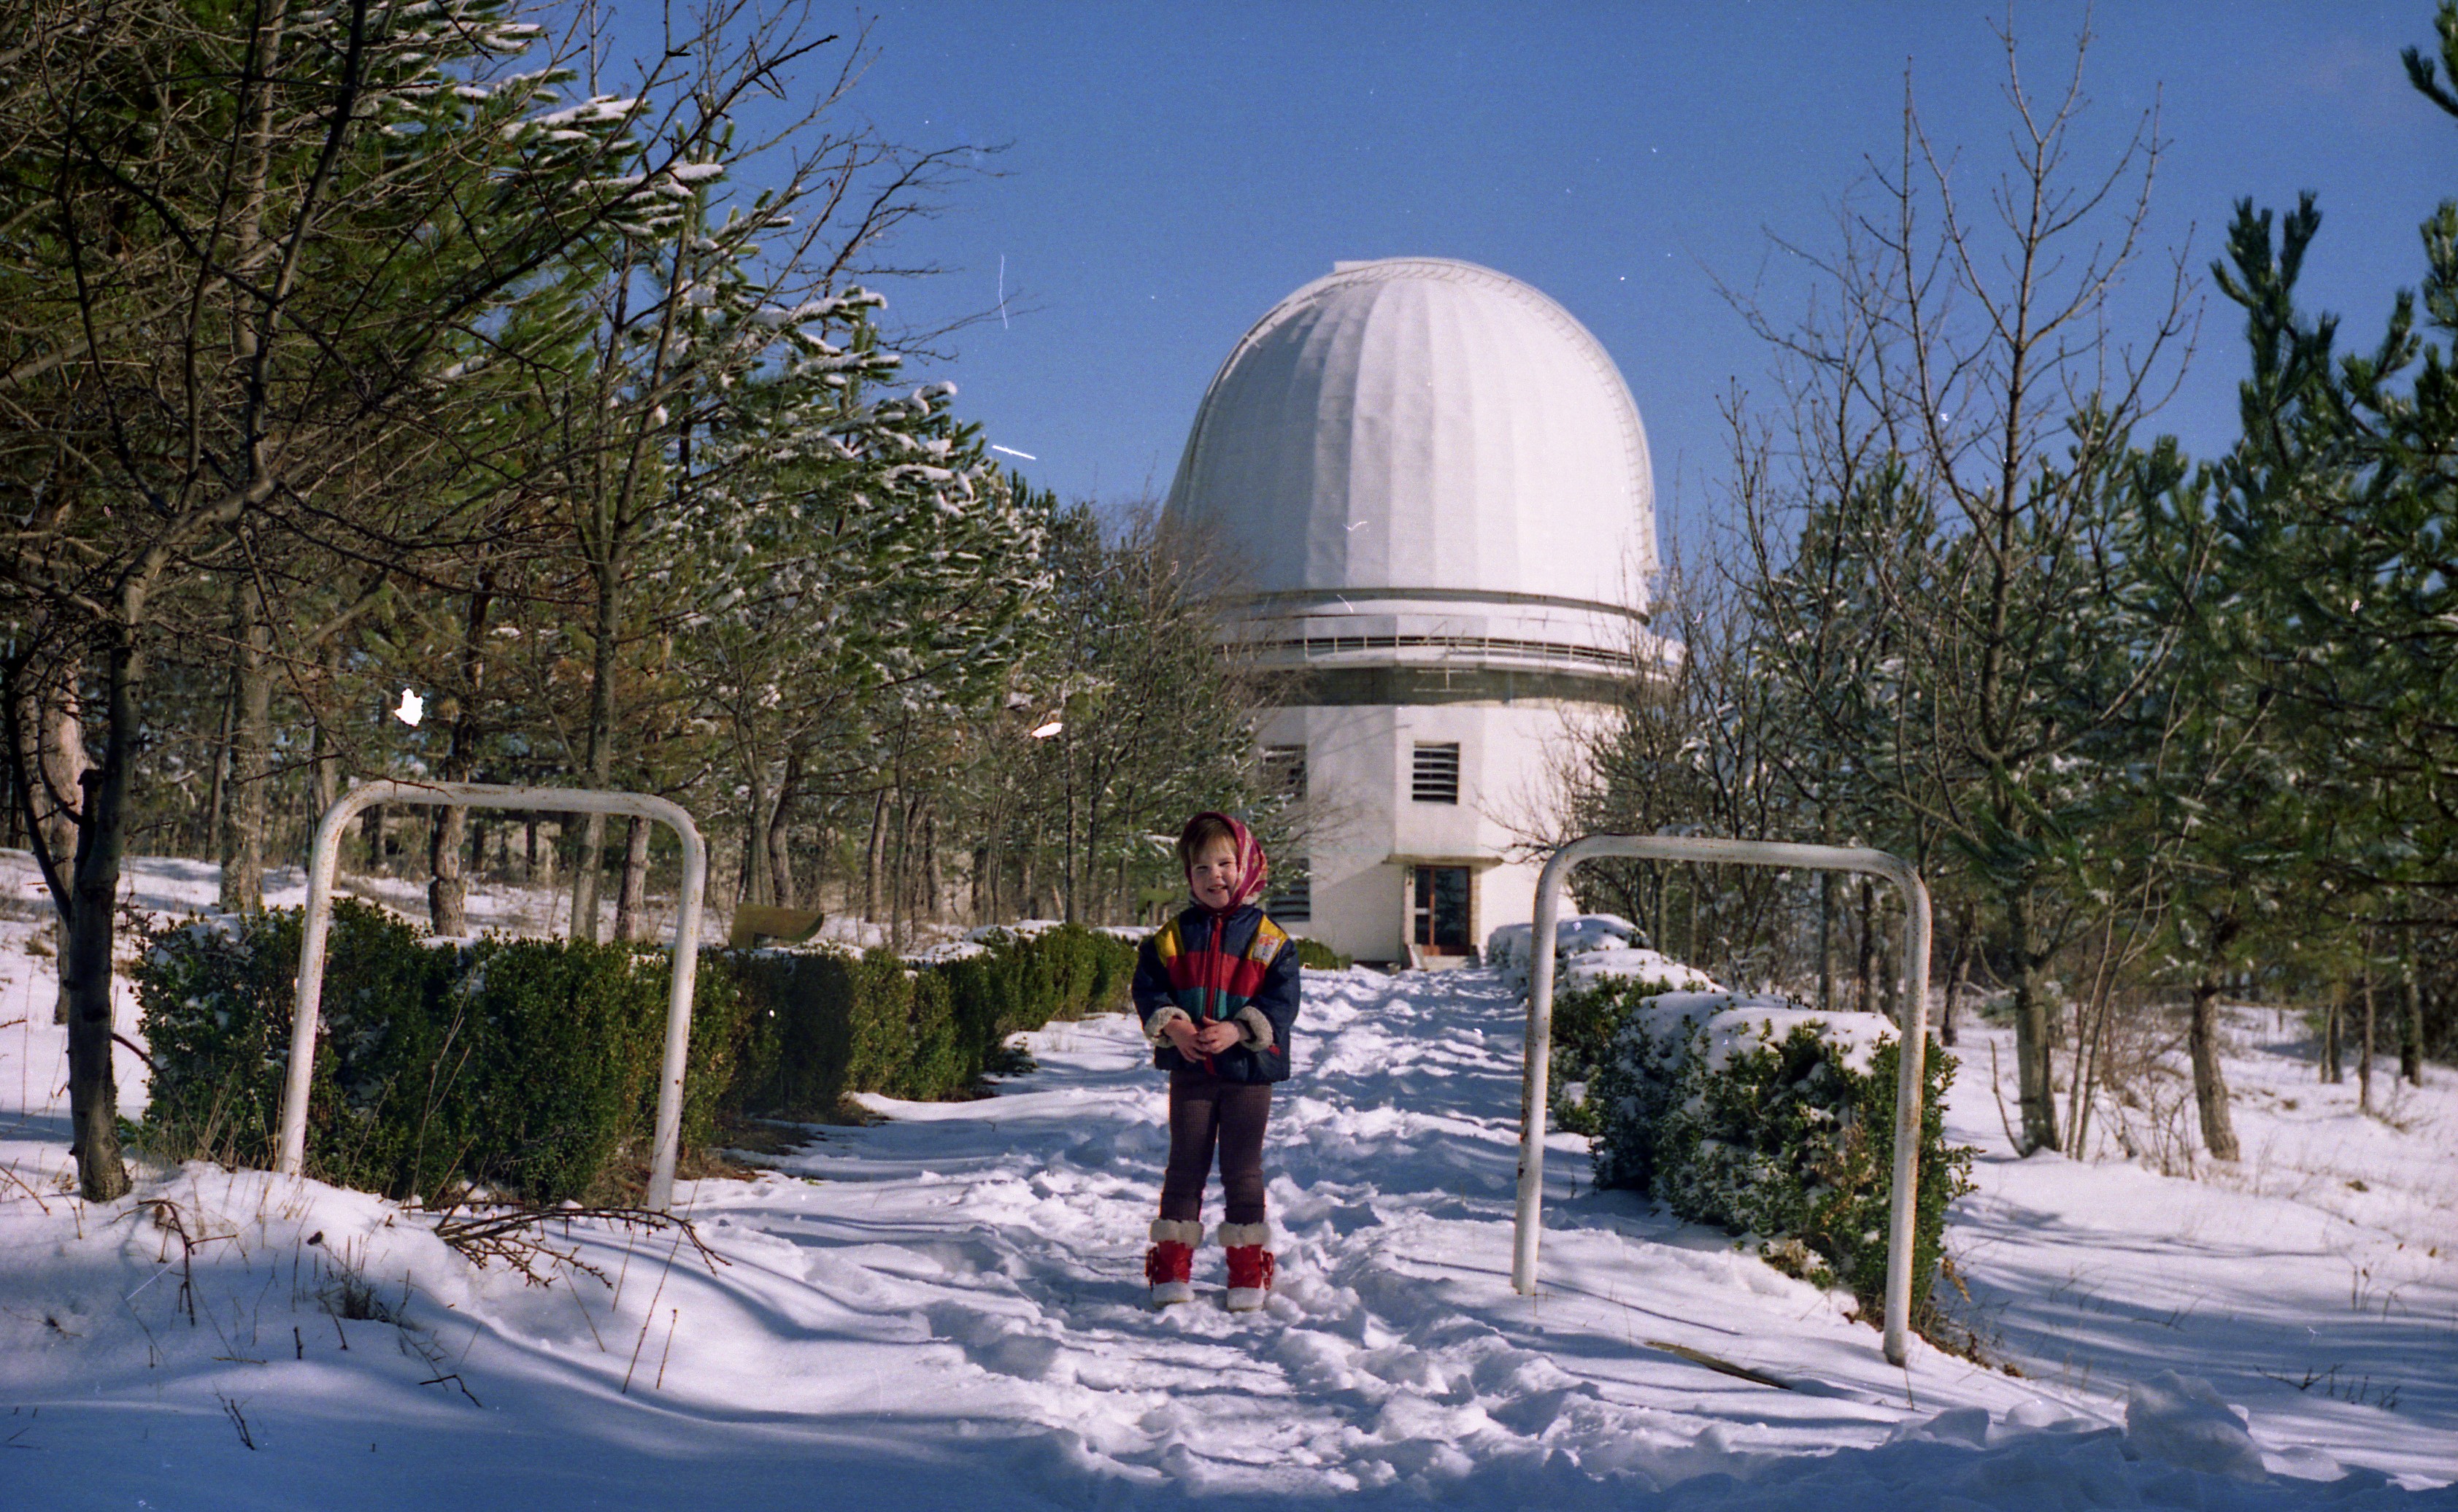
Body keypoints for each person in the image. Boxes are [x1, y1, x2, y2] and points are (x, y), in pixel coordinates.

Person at [1133, 811, 1301, 1311]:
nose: (1215, 877)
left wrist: (1239, 1028)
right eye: (1202, 868)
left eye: (1225, 864)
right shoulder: (1172, 937)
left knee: (1242, 1168)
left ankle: (1247, 1267)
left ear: (1247, 866)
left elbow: (1283, 1001)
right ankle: (1172, 1263)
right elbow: (1149, 987)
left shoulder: (1270, 940)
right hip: (1191, 1072)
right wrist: (1174, 1026)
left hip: (1248, 1074)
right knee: (1185, 1165)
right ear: (1189, 875)